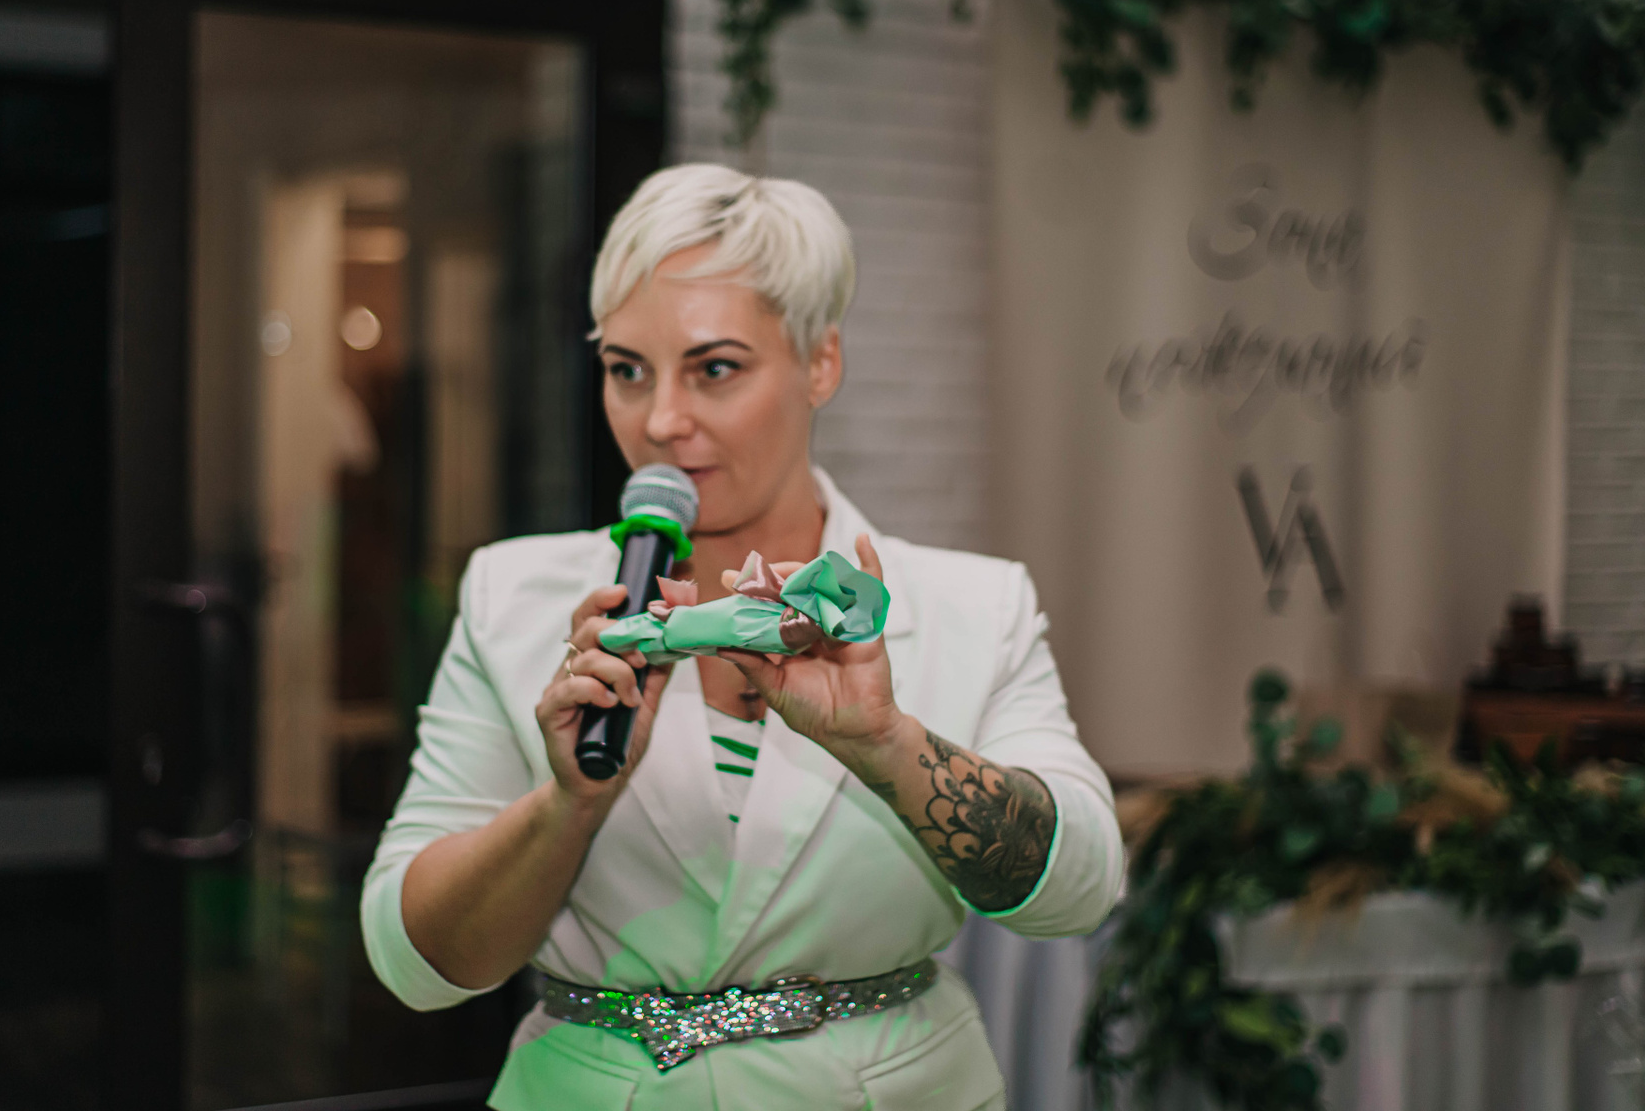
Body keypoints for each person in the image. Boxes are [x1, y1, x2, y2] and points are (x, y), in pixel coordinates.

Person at [361, 164, 1124, 1110]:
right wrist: (567, 807)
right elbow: (416, 962)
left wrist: (888, 747)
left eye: (714, 369)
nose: (660, 421)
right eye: (626, 370)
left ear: (821, 363)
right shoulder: (513, 596)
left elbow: (1080, 888)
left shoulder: (975, 604)